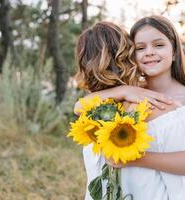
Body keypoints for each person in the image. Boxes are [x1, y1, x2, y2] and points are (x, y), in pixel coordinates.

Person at [75, 16, 185, 200]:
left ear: (175, 52)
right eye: (140, 48)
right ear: (130, 54)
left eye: (159, 45)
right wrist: (125, 89)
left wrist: (133, 158)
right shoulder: (128, 94)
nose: (149, 52)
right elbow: (80, 106)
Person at [74, 21, 173, 200]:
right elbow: (79, 106)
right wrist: (124, 91)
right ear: (125, 55)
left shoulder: (140, 101)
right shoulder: (95, 108)